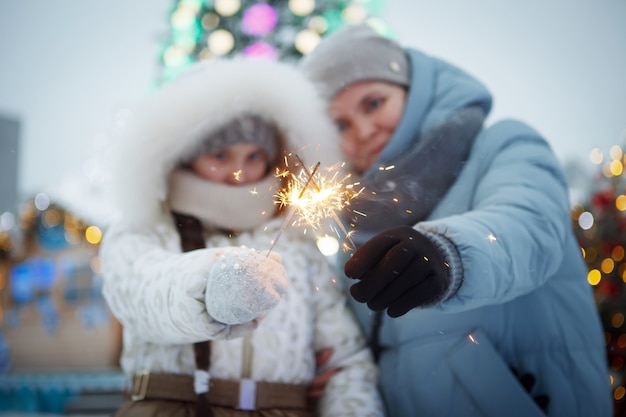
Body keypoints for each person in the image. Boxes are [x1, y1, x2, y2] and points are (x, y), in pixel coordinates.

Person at [299, 24, 612, 417]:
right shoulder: (352, 219)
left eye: (374, 103)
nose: (363, 131)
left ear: (414, 91)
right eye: (340, 124)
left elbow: (528, 226)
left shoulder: (502, 144)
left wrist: (448, 253)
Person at [99, 57, 385, 417]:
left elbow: (346, 363)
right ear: (184, 158)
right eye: (220, 155)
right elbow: (144, 296)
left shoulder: (299, 249)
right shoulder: (146, 231)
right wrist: (211, 287)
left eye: (254, 156)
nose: (240, 173)